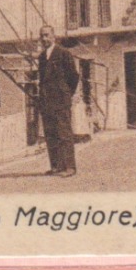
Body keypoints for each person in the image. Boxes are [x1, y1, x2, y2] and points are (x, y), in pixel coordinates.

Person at [35, 25, 81, 177]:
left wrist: (66, 93)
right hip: (47, 101)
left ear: (54, 36)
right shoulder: (42, 57)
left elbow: (73, 76)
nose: (44, 39)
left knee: (64, 134)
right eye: (42, 36)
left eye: (47, 35)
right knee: (51, 134)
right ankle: (56, 166)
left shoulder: (63, 53)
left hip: (61, 100)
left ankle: (70, 167)